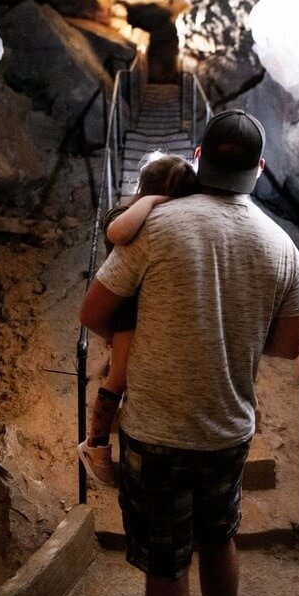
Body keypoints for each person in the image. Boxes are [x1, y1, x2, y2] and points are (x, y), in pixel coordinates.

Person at [80, 109, 299, 596]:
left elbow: (93, 311)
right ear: (260, 166)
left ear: (199, 157)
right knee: (218, 539)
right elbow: (291, 345)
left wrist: (141, 345)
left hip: (156, 431)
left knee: (165, 566)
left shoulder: (157, 225)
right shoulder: (281, 246)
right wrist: (233, 333)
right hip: (228, 429)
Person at [77, 152, 199, 487]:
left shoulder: (176, 221)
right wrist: (154, 202)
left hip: (153, 306)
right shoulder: (127, 214)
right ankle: (96, 446)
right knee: (118, 379)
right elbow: (117, 232)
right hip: (127, 310)